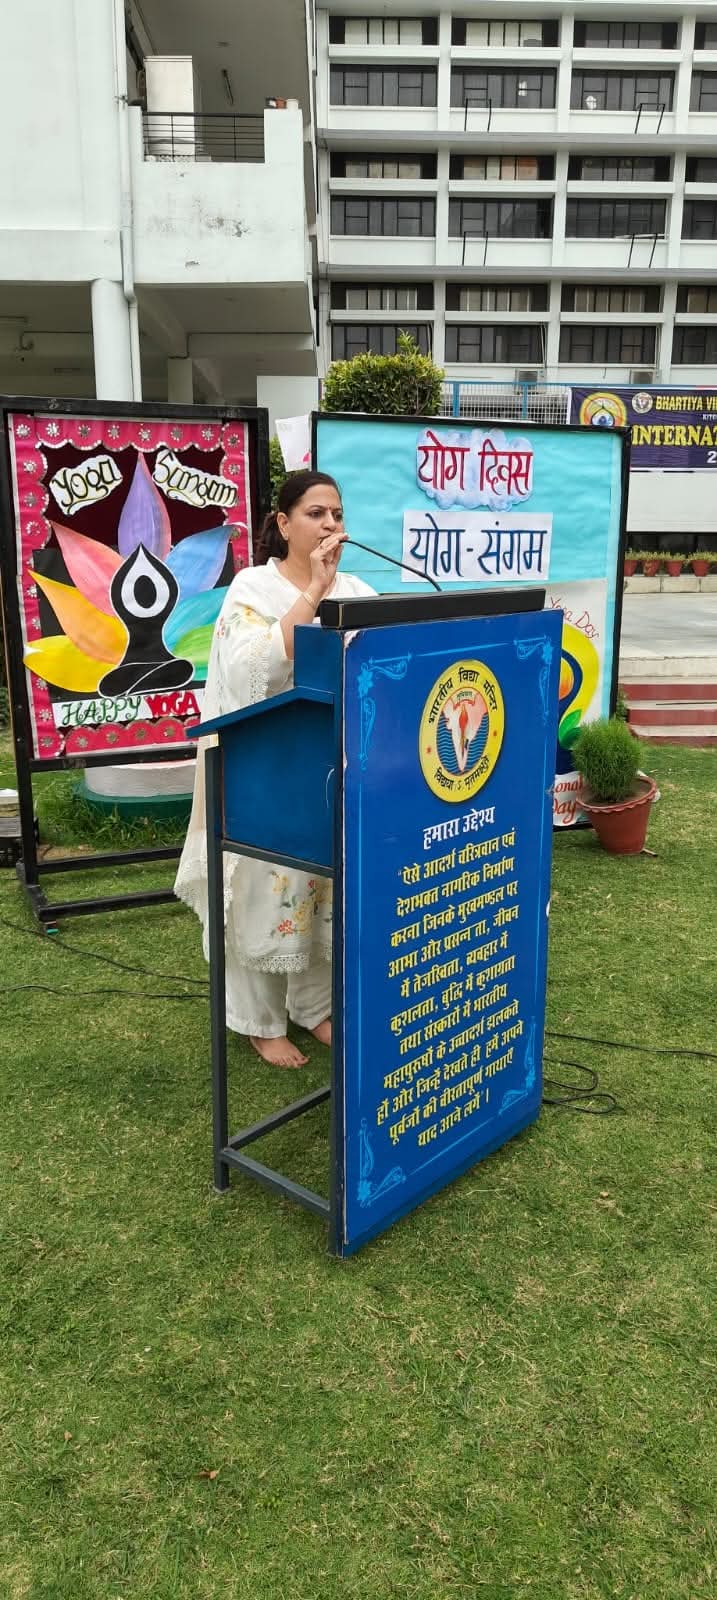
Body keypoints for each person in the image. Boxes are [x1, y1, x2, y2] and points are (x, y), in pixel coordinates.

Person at [175, 470, 375, 1069]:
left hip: (328, 765)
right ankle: (259, 1021)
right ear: (284, 524)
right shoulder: (253, 586)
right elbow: (248, 671)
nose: (330, 525)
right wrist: (312, 591)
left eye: (337, 514)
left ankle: (314, 1006)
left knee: (320, 885)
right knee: (262, 891)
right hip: (260, 766)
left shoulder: (357, 588)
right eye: (316, 514)